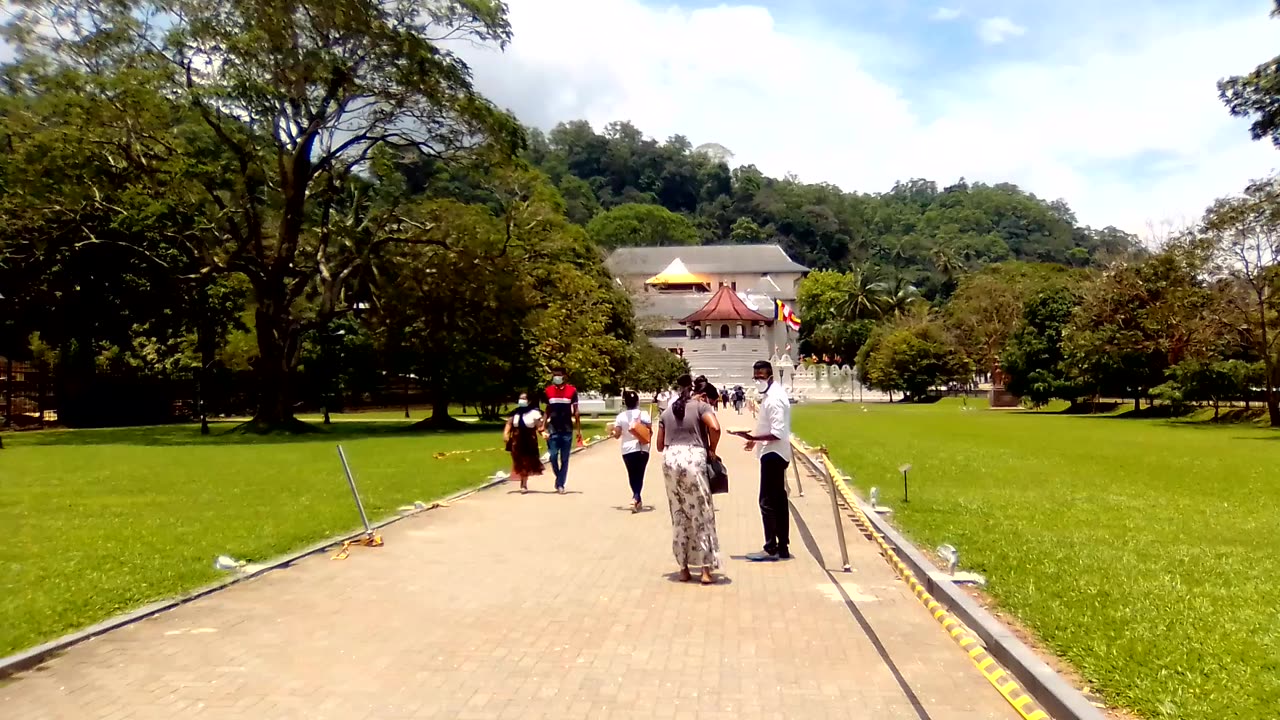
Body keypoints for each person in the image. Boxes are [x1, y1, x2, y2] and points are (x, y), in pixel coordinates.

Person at [656, 374, 722, 585]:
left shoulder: (667, 410)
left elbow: (659, 445)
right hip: (693, 458)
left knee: (679, 513)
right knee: (702, 514)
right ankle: (705, 570)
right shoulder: (700, 407)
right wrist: (712, 449)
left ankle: (683, 568)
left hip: (670, 459)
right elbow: (715, 427)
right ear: (700, 393)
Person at [730, 360, 793, 561]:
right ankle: (782, 546)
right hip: (774, 452)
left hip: (774, 454)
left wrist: (752, 438)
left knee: (767, 502)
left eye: (761, 376)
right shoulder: (771, 395)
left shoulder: (774, 399)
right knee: (779, 501)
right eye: (755, 377)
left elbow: (777, 433)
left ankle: (771, 547)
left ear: (770, 376)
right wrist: (755, 442)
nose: (758, 380)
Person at [609, 390, 652, 512]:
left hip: (627, 450)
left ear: (625, 403)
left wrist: (612, 432)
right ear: (637, 401)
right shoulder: (644, 415)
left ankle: (636, 496)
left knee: (632, 475)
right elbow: (649, 431)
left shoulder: (620, 417)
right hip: (643, 448)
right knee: (640, 474)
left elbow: (617, 435)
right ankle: (637, 497)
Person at [543, 366, 582, 494]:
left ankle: (560, 483)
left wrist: (578, 430)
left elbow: (576, 412)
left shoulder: (572, 391)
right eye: (554, 375)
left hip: (567, 429)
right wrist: (543, 425)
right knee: (553, 456)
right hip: (553, 429)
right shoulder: (548, 391)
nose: (556, 378)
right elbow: (547, 410)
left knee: (565, 459)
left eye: (558, 375)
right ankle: (558, 477)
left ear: (564, 376)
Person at [503, 393, 544, 493]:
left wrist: (543, 433)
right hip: (517, 440)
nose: (521, 400)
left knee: (526, 461)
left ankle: (524, 484)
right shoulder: (516, 412)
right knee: (518, 461)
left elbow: (539, 426)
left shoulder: (534, 413)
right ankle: (522, 478)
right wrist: (506, 434)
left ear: (529, 401)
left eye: (524, 399)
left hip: (529, 440)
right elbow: (509, 423)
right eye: (520, 398)